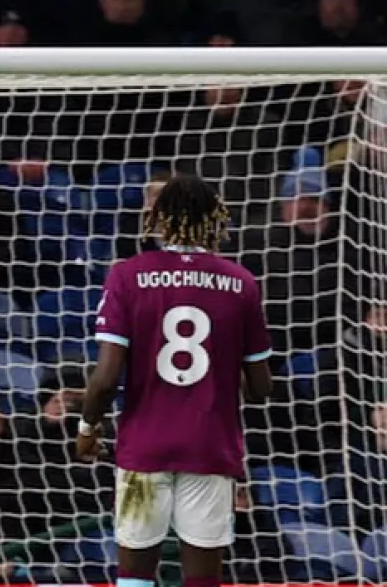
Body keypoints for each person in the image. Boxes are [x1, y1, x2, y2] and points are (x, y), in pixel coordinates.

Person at [77, 173, 274, 587]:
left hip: (144, 447)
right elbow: (261, 387)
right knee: (202, 579)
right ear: (214, 219)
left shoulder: (127, 276)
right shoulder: (241, 282)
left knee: (135, 575)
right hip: (210, 446)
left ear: (158, 219)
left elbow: (106, 378)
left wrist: (88, 427)